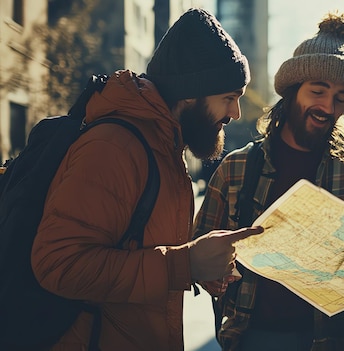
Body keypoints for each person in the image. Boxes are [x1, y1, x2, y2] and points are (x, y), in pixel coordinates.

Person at [30, 8, 263, 351]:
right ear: (190, 93)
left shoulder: (165, 148)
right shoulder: (115, 147)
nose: (235, 114)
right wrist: (184, 263)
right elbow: (58, 264)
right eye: (229, 98)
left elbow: (145, 254)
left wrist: (196, 266)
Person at [193, 12, 344, 351]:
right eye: (318, 91)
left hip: (342, 339)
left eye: (341, 98)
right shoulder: (236, 168)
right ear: (292, 91)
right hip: (254, 337)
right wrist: (211, 273)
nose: (327, 105)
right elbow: (198, 247)